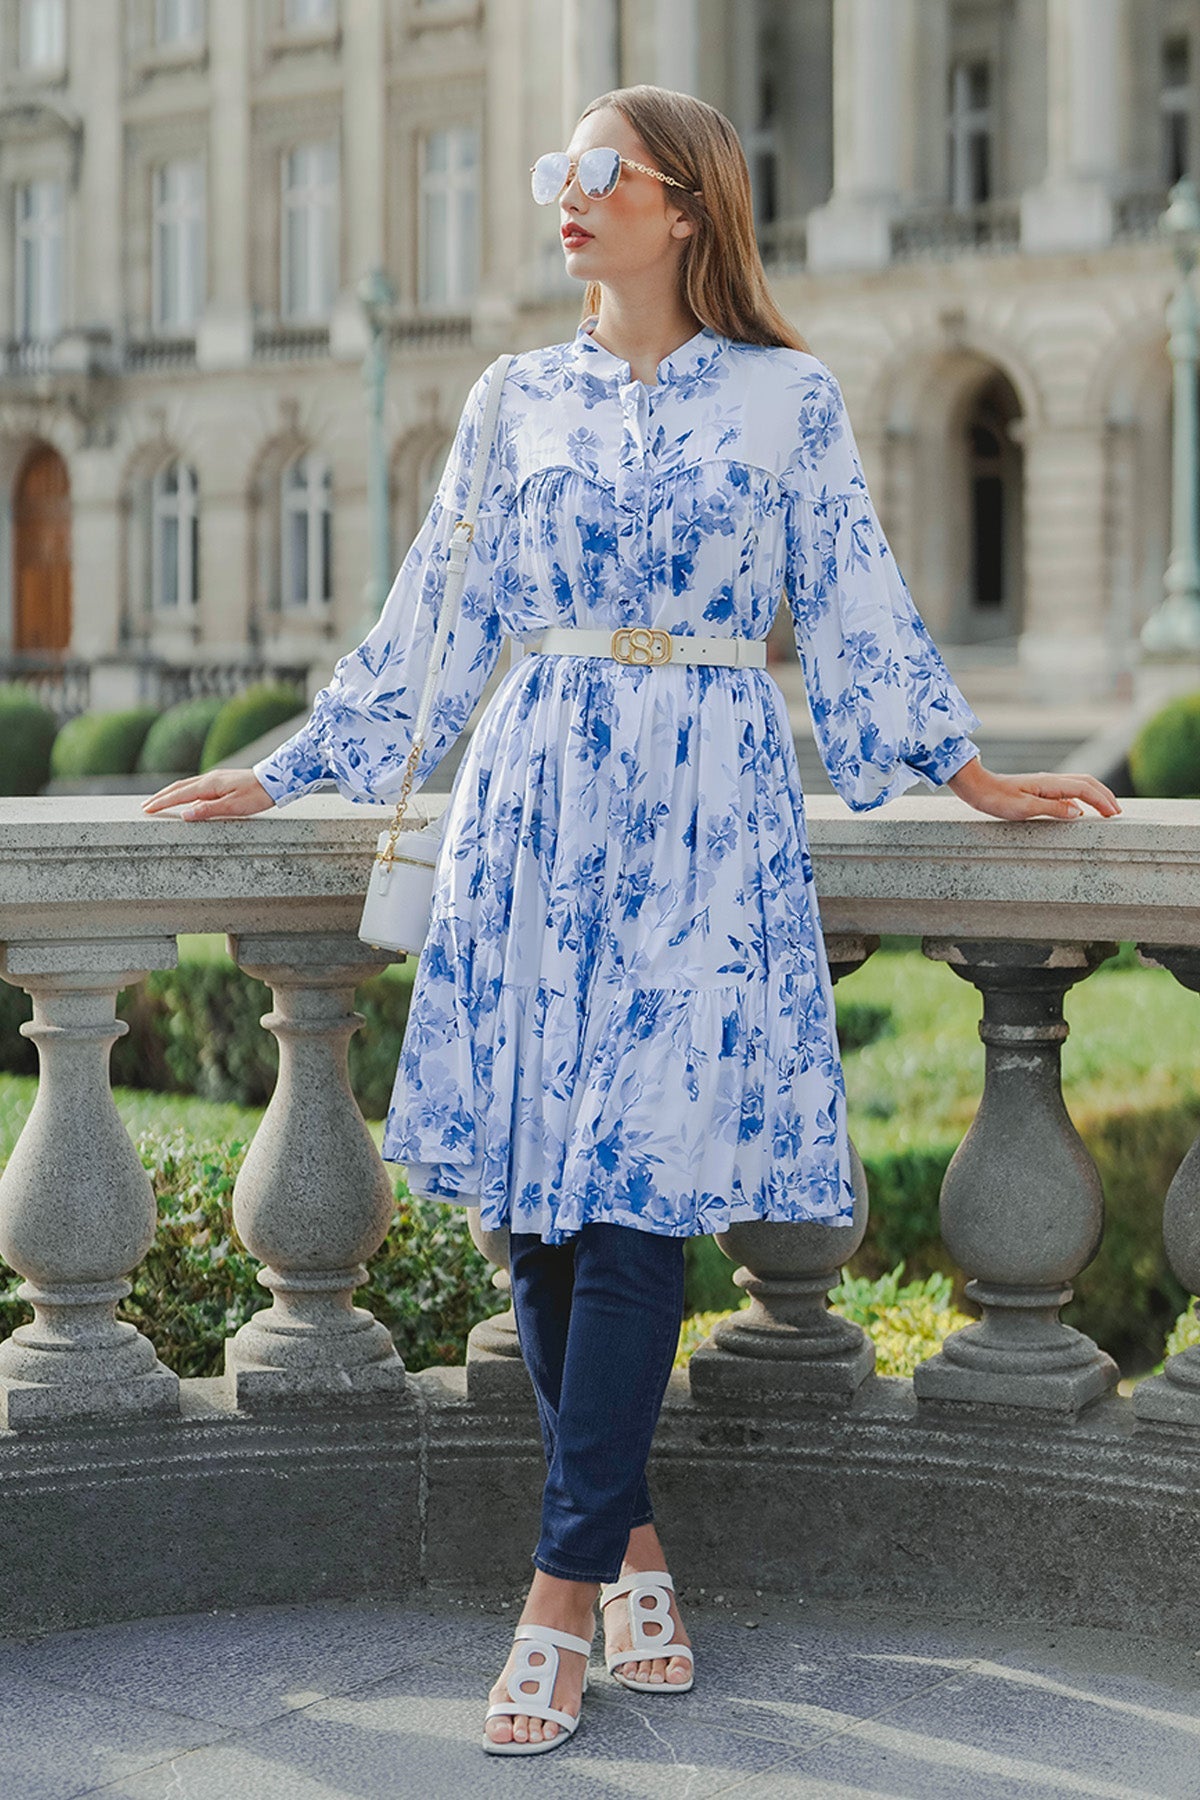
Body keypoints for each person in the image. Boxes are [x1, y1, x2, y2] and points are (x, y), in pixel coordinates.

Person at [142, 84, 1122, 1759]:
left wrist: (976, 777)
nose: (567, 194)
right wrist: (290, 764)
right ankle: (633, 1555)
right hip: (533, 800)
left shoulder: (789, 400)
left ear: (688, 204)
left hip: (708, 809)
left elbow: (859, 599)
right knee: (540, 1205)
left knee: (637, 1193)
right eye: (559, 169)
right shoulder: (513, 397)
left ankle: (555, 1599)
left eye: (601, 170)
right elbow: (437, 612)